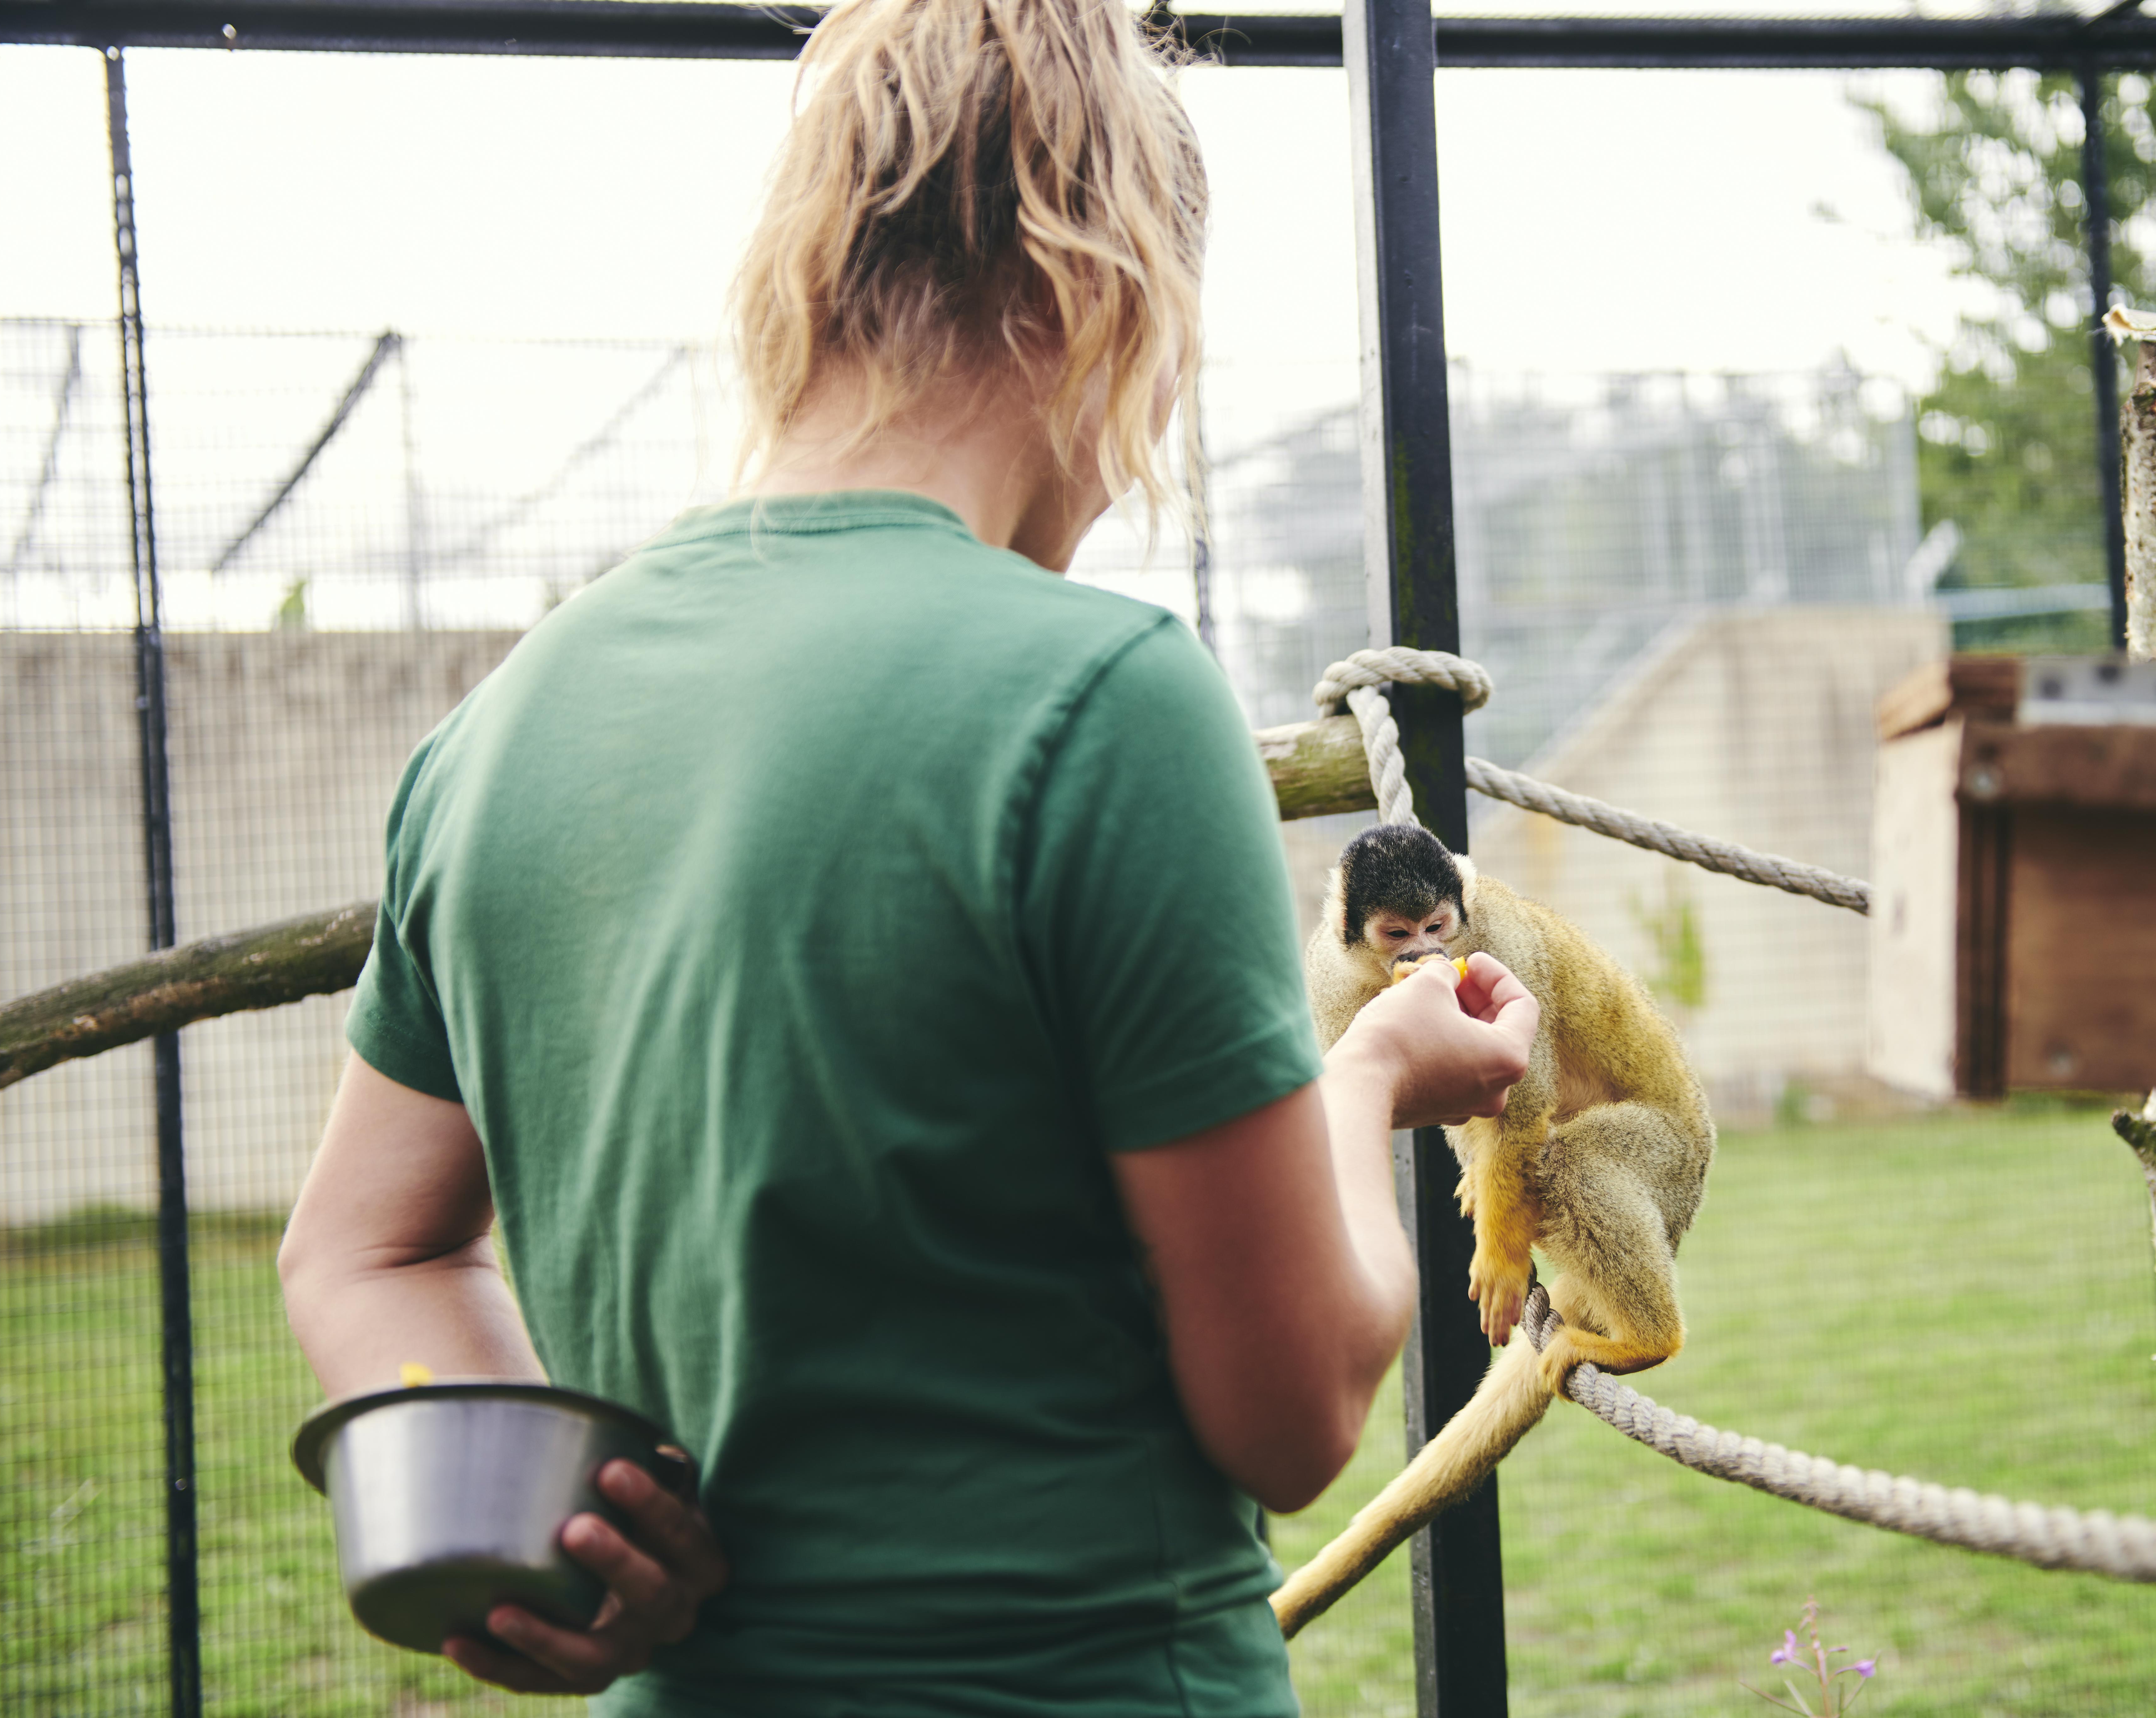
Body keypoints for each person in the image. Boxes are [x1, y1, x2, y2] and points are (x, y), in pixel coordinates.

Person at [277, 0, 1538, 1711]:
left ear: (814, 272)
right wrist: (1377, 1070)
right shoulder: (1104, 699)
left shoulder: (500, 729)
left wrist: (528, 1524)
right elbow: (1295, 1407)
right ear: (1112, 289)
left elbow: (365, 1252)